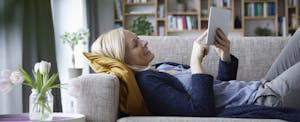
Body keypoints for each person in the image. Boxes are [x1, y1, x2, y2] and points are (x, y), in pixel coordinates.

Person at [85, 28, 300, 117]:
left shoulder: (160, 68)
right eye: (135, 44)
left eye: (139, 38)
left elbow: (220, 90)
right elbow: (201, 111)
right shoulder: (148, 84)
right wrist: (195, 61)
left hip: (261, 85)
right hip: (265, 98)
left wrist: (224, 54)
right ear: (124, 59)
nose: (144, 41)